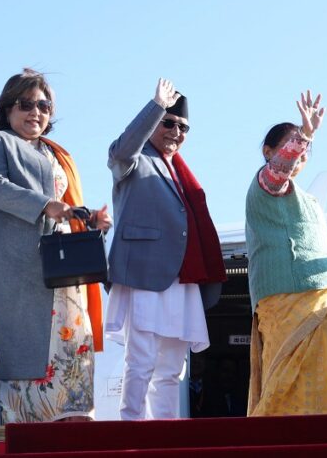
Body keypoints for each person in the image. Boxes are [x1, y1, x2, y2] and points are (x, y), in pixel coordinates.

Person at [0, 68, 112, 423]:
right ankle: (23, 423)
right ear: (7, 108)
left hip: (59, 266)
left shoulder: (55, 153)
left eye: (44, 106)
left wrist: (88, 219)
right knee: (22, 346)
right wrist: (45, 205)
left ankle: (73, 420)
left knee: (71, 341)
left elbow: (63, 203)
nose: (36, 112)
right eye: (26, 104)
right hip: (15, 265)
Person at [245, 91, 327, 416]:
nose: (300, 154)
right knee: (289, 386)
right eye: (291, 146)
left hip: (325, 300)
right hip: (289, 302)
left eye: (304, 150)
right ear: (268, 151)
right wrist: (305, 134)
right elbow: (278, 172)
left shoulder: (308, 199)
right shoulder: (264, 187)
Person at [105, 78, 226, 420]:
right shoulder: (134, 159)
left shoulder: (180, 170)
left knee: (172, 368)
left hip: (182, 277)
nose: (176, 132)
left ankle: (166, 432)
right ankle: (132, 428)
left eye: (183, 127)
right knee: (140, 359)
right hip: (146, 272)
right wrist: (156, 106)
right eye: (169, 123)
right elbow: (121, 151)